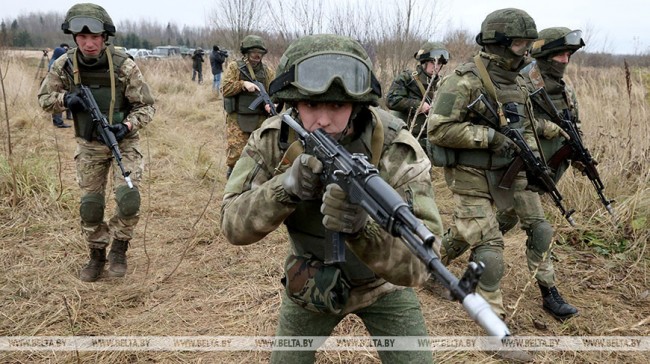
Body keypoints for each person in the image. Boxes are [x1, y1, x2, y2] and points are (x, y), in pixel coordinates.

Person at [221, 34, 443, 363]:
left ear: (357, 104)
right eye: (311, 105)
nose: (323, 120)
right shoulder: (274, 139)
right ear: (294, 102)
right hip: (309, 280)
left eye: (337, 105)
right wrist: (284, 188)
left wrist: (363, 229)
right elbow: (231, 225)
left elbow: (423, 262)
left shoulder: (396, 145)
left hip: (383, 287)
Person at [427, 8, 577, 322]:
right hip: (470, 175)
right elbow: (437, 129)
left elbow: (525, 124)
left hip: (510, 172)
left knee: (530, 227)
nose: (526, 50)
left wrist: (550, 138)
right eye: (520, 44)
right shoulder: (464, 81)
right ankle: (496, 327)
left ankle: (432, 263)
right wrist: (489, 138)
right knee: (492, 251)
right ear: (499, 43)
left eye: (528, 43)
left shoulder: (519, 82)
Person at [37, 3, 155, 282]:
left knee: (128, 200)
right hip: (89, 145)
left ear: (105, 37)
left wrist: (125, 126)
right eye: (82, 38)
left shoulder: (124, 65)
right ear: (74, 37)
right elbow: (44, 100)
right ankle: (96, 253)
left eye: (95, 37)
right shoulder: (65, 64)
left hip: (122, 143)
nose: (89, 44)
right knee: (90, 206)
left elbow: (147, 107)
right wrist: (66, 99)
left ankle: (119, 248)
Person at [493, 27, 586, 321]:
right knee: (540, 228)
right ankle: (549, 293)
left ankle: (461, 251)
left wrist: (581, 155)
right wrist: (548, 129)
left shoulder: (565, 91)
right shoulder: (523, 83)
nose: (565, 59)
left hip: (548, 170)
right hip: (522, 168)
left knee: (502, 221)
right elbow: (514, 124)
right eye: (560, 53)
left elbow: (574, 126)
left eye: (569, 54)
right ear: (544, 54)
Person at [221, 35, 275, 179]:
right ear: (246, 53)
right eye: (253, 52)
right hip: (237, 118)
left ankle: (254, 181)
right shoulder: (235, 67)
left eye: (260, 53)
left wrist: (272, 103)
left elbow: (274, 92)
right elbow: (225, 89)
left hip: (259, 117)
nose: (257, 55)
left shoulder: (267, 71)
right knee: (237, 153)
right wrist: (242, 84)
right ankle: (233, 184)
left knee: (261, 152)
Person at [386, 41, 449, 151]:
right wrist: (418, 105)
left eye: (439, 63)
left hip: (431, 140)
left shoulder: (443, 83)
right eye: (433, 62)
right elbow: (391, 100)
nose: (437, 66)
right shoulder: (407, 78)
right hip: (405, 137)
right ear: (423, 62)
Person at [49, 43, 72, 128]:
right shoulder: (57, 61)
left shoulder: (54, 59)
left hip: (57, 82)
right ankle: (58, 122)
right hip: (57, 83)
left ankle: (65, 117)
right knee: (59, 101)